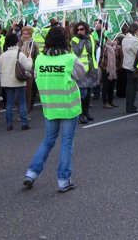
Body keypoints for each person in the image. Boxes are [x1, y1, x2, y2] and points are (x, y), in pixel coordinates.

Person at [23, 26, 85, 193]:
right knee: (66, 142)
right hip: (69, 105)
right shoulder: (70, 58)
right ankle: (64, 180)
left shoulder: (40, 60)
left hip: (50, 105)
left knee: (48, 140)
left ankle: (31, 173)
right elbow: (81, 74)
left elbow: (36, 77)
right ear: (65, 41)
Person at [0, 33, 32, 131]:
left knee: (9, 103)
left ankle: (9, 124)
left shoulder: (2, 55)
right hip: (18, 80)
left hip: (6, 82)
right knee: (22, 102)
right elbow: (28, 67)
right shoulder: (20, 54)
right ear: (16, 42)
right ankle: (24, 123)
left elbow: (0, 70)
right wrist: (29, 58)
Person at [71, 22, 99, 124]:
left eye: (82, 29)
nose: (80, 31)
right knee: (82, 94)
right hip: (81, 70)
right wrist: (82, 40)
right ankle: (80, 114)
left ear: (86, 29)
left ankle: (86, 112)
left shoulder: (91, 38)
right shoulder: (74, 39)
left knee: (88, 94)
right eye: (78, 30)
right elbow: (77, 51)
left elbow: (93, 51)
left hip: (91, 69)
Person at [121, 23, 138, 113]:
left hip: (126, 63)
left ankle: (128, 106)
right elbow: (137, 54)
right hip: (133, 65)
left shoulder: (125, 39)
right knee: (133, 87)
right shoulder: (134, 40)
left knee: (129, 86)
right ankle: (131, 106)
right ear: (135, 31)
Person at [99, 37, 122, 108]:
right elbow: (100, 57)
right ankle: (105, 102)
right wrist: (103, 67)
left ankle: (110, 101)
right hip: (106, 69)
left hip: (114, 69)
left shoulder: (118, 47)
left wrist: (118, 67)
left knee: (112, 86)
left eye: (114, 39)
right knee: (105, 86)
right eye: (109, 39)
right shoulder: (104, 47)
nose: (112, 40)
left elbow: (121, 58)